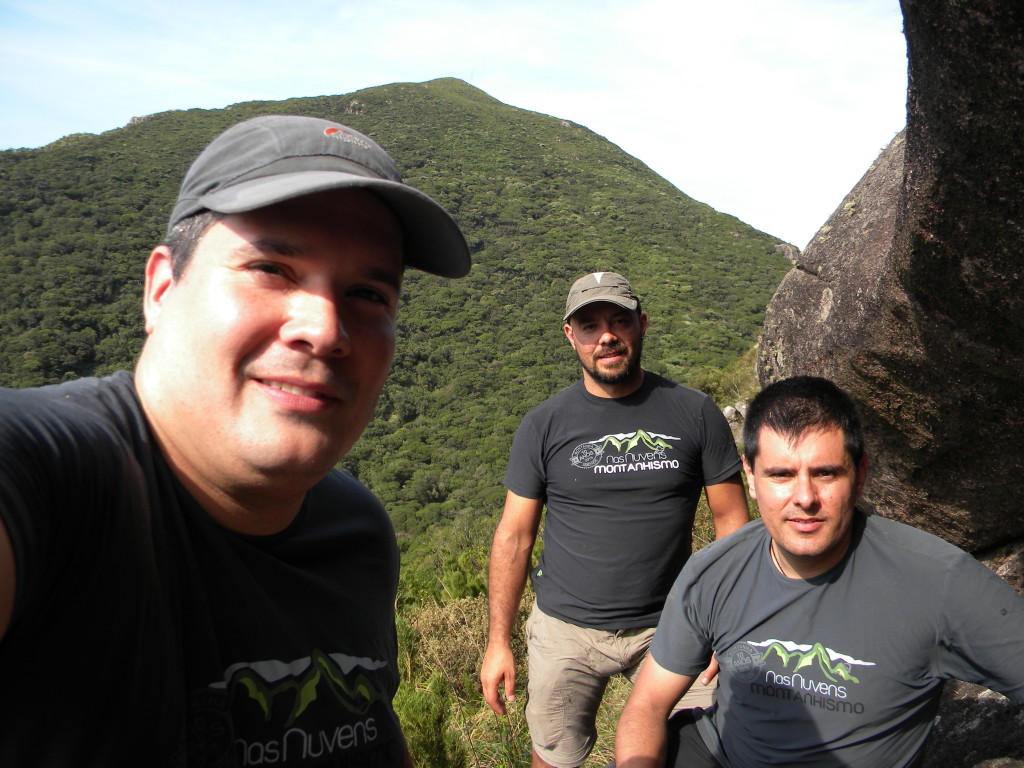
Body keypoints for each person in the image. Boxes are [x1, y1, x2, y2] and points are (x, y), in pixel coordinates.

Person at [0, 114, 471, 765]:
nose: (325, 329)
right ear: (162, 289)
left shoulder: (356, 532)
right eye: (271, 268)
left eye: (367, 292)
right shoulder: (54, 477)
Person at [615, 375, 1024, 768]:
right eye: (781, 475)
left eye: (826, 473)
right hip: (716, 753)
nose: (805, 498)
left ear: (860, 474)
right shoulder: (714, 570)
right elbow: (647, 704)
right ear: (751, 478)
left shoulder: (938, 582)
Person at [480, 272, 751, 768]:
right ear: (571, 335)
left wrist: (725, 625)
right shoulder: (544, 424)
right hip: (564, 628)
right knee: (554, 755)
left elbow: (733, 523)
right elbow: (514, 536)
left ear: (642, 325)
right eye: (589, 325)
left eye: (619, 321)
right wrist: (498, 642)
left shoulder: (695, 413)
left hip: (671, 625)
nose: (606, 335)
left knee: (703, 750)